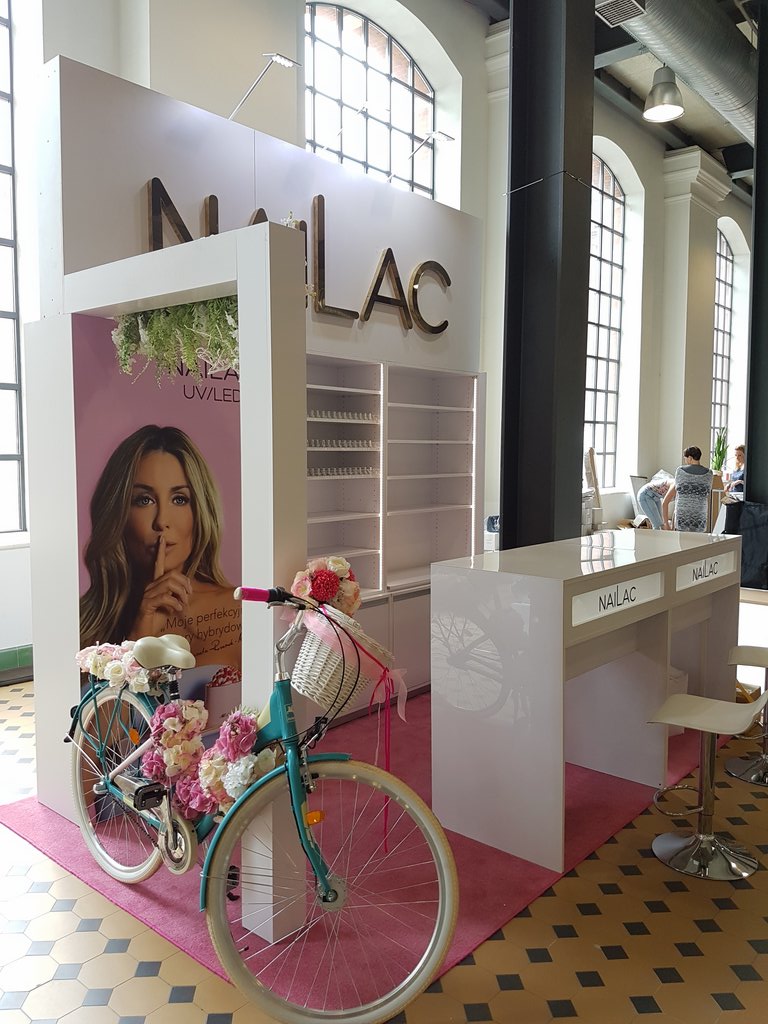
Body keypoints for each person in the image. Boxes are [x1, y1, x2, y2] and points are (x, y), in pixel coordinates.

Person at [79, 425, 241, 669]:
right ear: (117, 514)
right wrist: (142, 629)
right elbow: (101, 700)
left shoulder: (236, 607)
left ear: (200, 510)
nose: (162, 521)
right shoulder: (87, 623)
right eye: (144, 500)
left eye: (179, 499)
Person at [661, 446, 714, 533]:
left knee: (682, 540)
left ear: (690, 458)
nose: (685, 460)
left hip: (682, 515)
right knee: (698, 540)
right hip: (700, 515)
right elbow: (707, 491)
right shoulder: (709, 473)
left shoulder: (681, 471)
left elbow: (677, 489)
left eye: (685, 458)